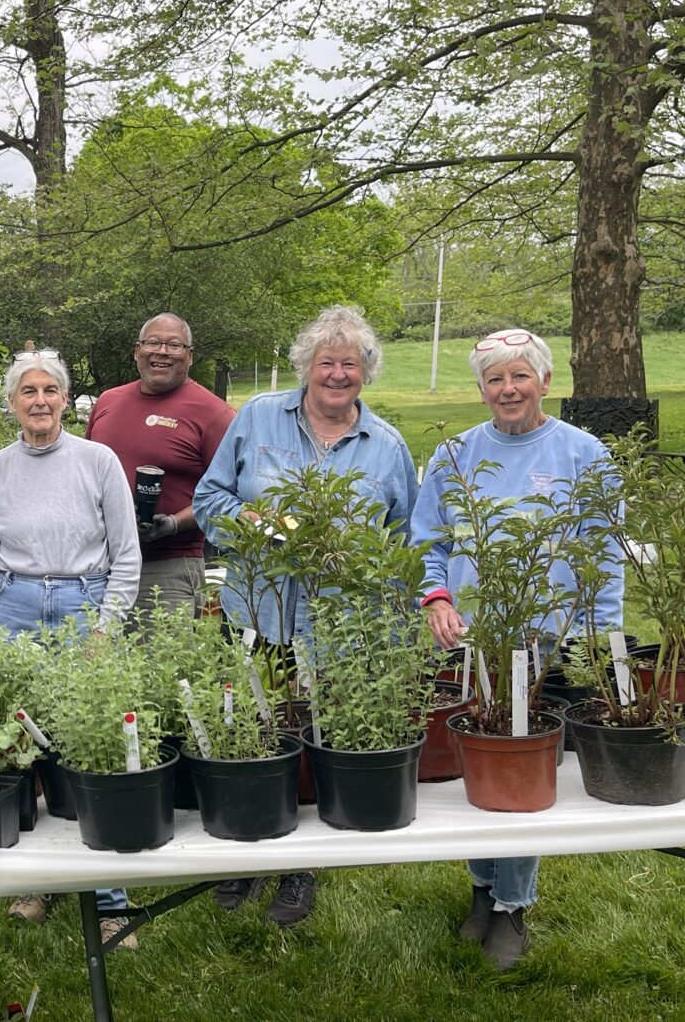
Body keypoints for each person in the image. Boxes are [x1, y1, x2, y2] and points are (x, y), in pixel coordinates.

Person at [192, 304, 417, 927]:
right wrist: (255, 523)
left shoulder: (387, 445)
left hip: (341, 622)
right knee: (254, 729)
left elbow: (405, 540)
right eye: (327, 362)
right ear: (305, 369)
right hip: (257, 610)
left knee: (318, 734)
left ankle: (301, 864)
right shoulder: (259, 419)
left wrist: (391, 616)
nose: (337, 374)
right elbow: (210, 498)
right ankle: (248, 847)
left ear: (365, 373)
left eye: (350, 363)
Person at [409, 327, 623, 971]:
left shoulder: (584, 454)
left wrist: (596, 640)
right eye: (495, 379)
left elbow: (602, 555)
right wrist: (439, 599)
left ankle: (512, 905)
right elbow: (430, 538)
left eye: (520, 376)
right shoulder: (453, 455)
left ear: (545, 383)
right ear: (481, 391)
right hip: (474, 637)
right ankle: (481, 887)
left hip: (546, 639)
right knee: (482, 759)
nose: (508, 389)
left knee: (523, 770)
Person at [0, 349, 141, 949]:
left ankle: (112, 899)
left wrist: (105, 627)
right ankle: (37, 882)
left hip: (81, 603)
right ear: (11, 403)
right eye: (27, 391)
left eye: (50, 390)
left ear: (66, 400)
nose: (39, 401)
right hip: (13, 607)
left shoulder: (98, 461)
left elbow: (127, 555)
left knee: (92, 743)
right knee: (20, 746)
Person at [86, 312, 235, 612]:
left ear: (190, 356)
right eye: (153, 343)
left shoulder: (215, 414)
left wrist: (173, 524)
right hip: (97, 565)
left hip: (166, 570)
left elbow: (229, 496)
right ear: (137, 351)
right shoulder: (108, 402)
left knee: (160, 659)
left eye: (174, 345)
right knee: (95, 657)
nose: (162, 352)